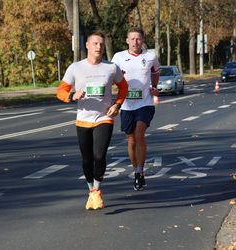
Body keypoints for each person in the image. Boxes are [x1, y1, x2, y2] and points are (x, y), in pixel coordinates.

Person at [56, 31, 128, 210]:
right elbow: (60, 92)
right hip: (83, 120)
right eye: (95, 43)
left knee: (99, 155)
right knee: (87, 159)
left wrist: (117, 105)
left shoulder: (111, 68)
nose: (99, 47)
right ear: (87, 45)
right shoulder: (75, 68)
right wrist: (73, 95)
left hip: (104, 118)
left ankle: (96, 190)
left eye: (101, 44)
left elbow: (123, 87)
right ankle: (90, 191)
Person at [112, 27, 160, 191]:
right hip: (126, 104)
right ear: (127, 41)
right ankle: (136, 170)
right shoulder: (118, 57)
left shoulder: (150, 56)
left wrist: (154, 86)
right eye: (132, 39)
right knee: (131, 139)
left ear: (143, 40)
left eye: (138, 39)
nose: (135, 42)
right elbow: (111, 76)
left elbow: (155, 72)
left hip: (144, 103)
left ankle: (140, 171)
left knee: (139, 134)